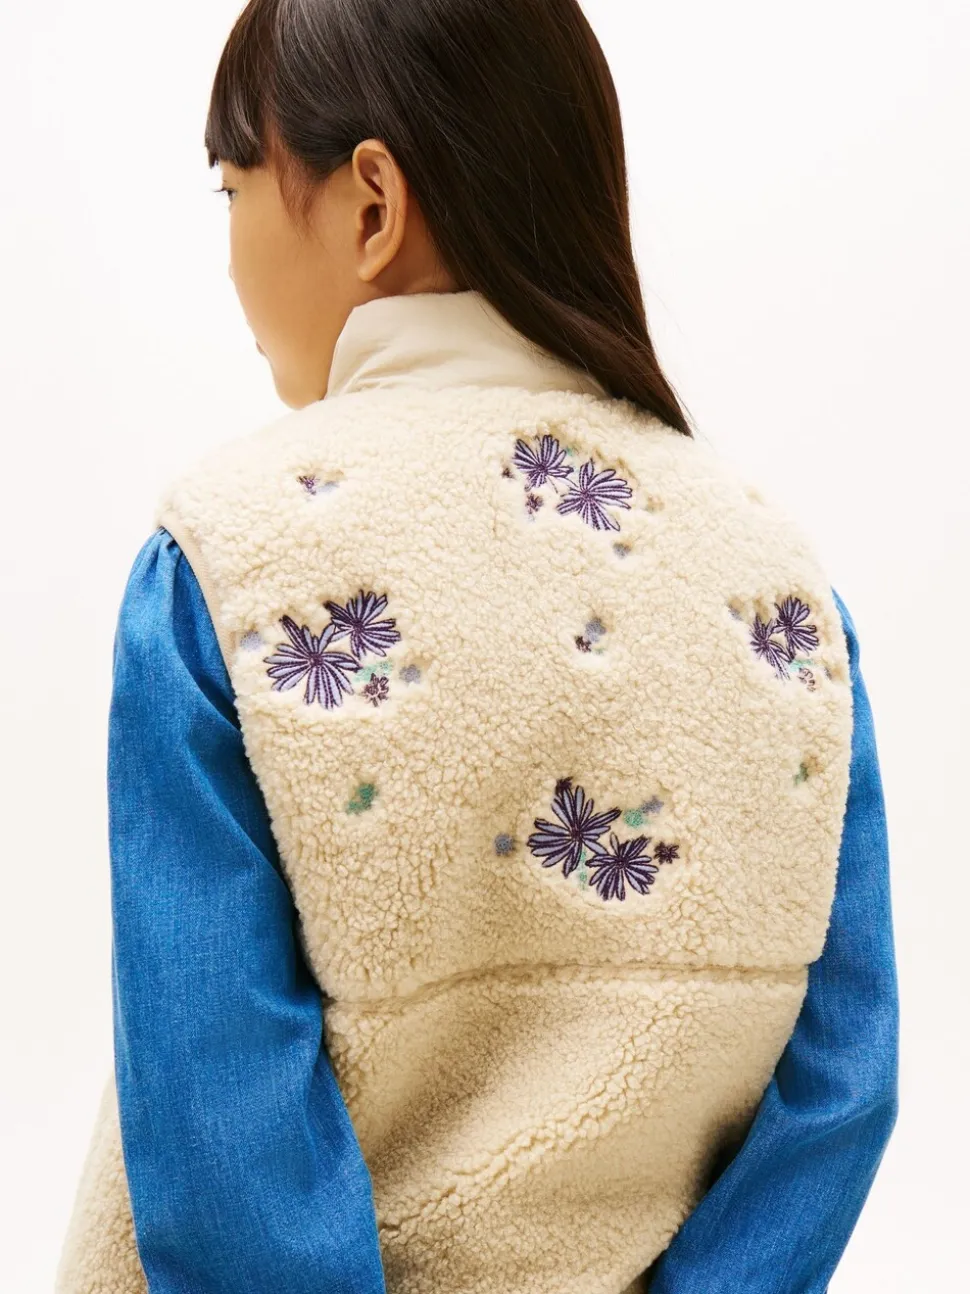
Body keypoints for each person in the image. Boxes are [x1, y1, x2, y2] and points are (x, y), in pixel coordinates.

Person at [55, 1, 899, 1291]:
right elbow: (841, 1080)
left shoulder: (227, 570)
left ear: (371, 204)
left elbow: (224, 1142)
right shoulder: (783, 597)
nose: (227, 256)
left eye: (233, 188)